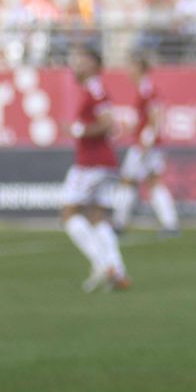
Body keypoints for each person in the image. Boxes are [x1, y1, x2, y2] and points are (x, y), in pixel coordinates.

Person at [61, 46, 131, 292]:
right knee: (97, 217)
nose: (75, 65)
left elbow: (108, 122)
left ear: (93, 63)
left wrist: (77, 130)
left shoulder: (95, 88)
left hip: (91, 163)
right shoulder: (93, 89)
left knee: (69, 215)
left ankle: (102, 264)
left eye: (80, 60)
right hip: (104, 163)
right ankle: (117, 270)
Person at [112, 52, 180, 236]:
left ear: (139, 68)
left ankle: (119, 222)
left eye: (131, 66)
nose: (127, 71)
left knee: (127, 180)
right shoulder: (144, 88)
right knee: (153, 182)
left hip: (144, 145)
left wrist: (146, 141)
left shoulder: (147, 89)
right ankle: (170, 223)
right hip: (148, 144)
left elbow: (156, 116)